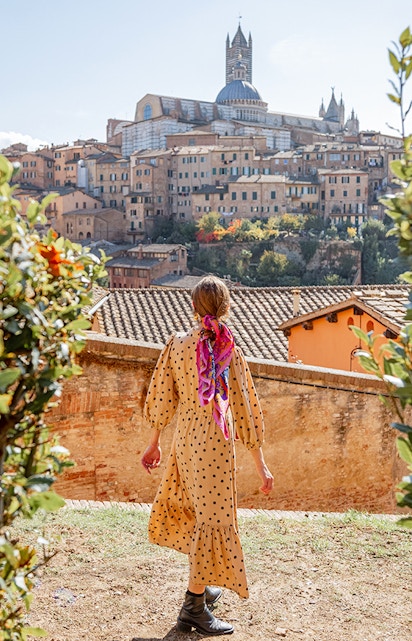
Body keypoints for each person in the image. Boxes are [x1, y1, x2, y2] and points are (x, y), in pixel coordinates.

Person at [141, 275, 273, 635]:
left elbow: (162, 397)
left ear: (193, 307)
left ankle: (203, 584)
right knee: (213, 521)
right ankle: (193, 609)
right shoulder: (229, 350)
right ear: (225, 307)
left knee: (199, 515)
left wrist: (154, 443)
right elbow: (245, 408)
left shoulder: (176, 344)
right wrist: (261, 465)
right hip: (215, 448)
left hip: (185, 442)